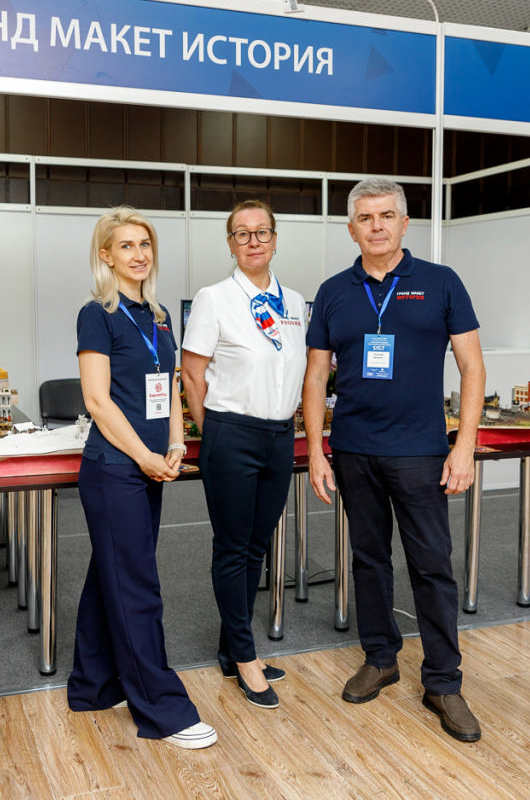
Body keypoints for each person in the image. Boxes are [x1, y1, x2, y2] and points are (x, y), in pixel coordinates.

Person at [302, 177, 487, 743]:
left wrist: (464, 446)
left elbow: (473, 368)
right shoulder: (333, 292)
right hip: (354, 449)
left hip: (420, 451)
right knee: (368, 560)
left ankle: (443, 682)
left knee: (432, 565)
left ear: (405, 224)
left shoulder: (441, 282)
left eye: (386, 216)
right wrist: (317, 450)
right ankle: (381, 658)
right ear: (351, 228)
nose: (376, 226)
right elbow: (315, 375)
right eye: (365, 217)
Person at [67, 206, 216, 750]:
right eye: (126, 246)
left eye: (145, 244)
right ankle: (162, 710)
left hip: (151, 465)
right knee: (137, 588)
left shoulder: (158, 315)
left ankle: (92, 685)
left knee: (111, 574)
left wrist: (174, 445)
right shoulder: (97, 315)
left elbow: (170, 385)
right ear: (106, 256)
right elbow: (97, 401)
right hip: (114, 471)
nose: (138, 254)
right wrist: (144, 457)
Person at [181, 200, 306, 709]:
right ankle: (247, 658)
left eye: (262, 232)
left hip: (279, 437)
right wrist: (215, 432)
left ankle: (231, 649)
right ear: (230, 243)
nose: (253, 241)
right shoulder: (214, 298)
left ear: (275, 239)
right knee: (233, 548)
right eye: (242, 234)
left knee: (257, 548)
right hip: (231, 434)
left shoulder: (294, 302)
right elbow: (192, 374)